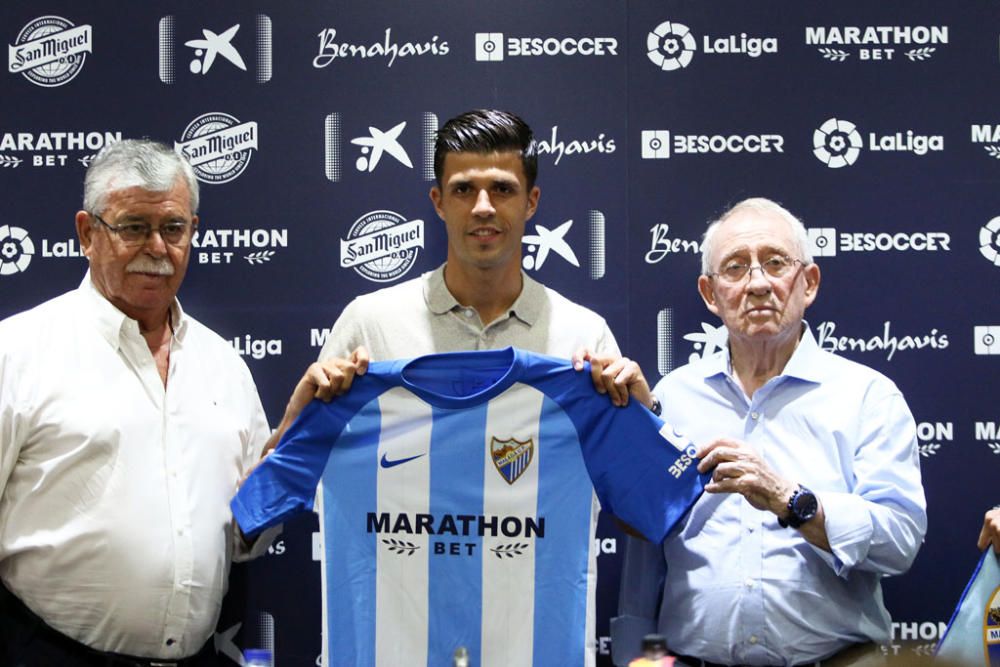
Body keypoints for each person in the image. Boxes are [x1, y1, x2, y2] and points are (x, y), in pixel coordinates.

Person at [0, 139, 345, 667]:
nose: (157, 248)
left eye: (173, 228)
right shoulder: (18, 352)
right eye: (133, 227)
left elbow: (245, 533)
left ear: (192, 233)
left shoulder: (223, 365)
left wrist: (293, 437)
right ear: (87, 234)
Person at [612, 198, 927, 667]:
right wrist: (632, 657)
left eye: (775, 263)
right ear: (710, 294)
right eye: (735, 268)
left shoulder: (868, 396)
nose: (757, 283)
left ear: (809, 283)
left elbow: (900, 540)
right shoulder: (672, 396)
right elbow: (644, 555)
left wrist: (792, 500)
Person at [317, 108, 649, 404]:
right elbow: (304, 460)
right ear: (438, 202)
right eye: (463, 190)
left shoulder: (584, 335)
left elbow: (625, 466)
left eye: (502, 189)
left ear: (531, 202)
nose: (483, 207)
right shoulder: (370, 322)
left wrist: (644, 411)